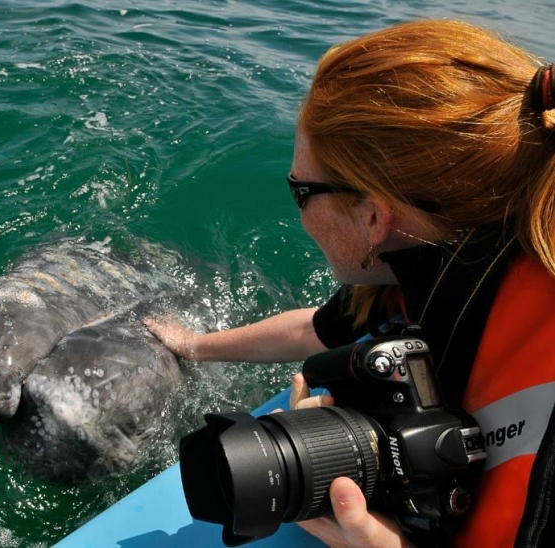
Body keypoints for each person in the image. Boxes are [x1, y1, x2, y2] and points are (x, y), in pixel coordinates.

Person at [145, 19, 555, 548]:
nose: (299, 213)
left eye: (300, 192)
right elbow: (313, 330)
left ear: (373, 217)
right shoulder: (435, 254)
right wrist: (193, 345)